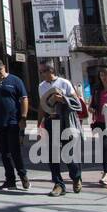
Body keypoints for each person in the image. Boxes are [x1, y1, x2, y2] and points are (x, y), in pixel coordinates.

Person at [0, 58, 29, 190]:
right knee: (4, 153)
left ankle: (23, 176)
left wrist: (23, 117)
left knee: (15, 151)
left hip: (13, 122)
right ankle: (10, 180)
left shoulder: (15, 81)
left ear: (4, 68)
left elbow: (24, 98)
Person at [37, 61, 82, 196]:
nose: (41, 74)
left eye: (43, 71)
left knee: (68, 153)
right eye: (40, 72)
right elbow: (42, 106)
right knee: (52, 154)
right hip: (51, 122)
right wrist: (39, 125)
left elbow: (77, 102)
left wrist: (63, 99)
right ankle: (58, 184)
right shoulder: (41, 86)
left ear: (51, 71)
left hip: (65, 121)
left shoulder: (64, 83)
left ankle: (76, 177)